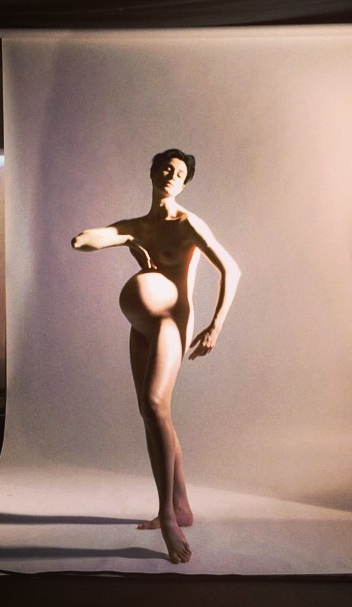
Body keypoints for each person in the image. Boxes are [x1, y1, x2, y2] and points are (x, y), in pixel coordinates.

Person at [71, 148, 240, 564]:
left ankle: (168, 516)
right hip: (142, 326)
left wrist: (215, 326)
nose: (171, 174)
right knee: (153, 413)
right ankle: (181, 506)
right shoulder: (137, 226)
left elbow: (231, 269)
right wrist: (128, 239)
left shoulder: (187, 223)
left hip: (171, 320)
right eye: (166, 168)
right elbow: (80, 240)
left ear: (184, 184)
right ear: (152, 173)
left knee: (153, 405)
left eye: (179, 173)